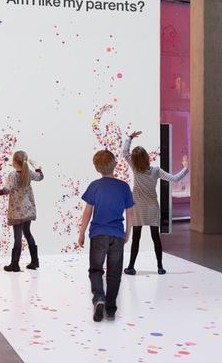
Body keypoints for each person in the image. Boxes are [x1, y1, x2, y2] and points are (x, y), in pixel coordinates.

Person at [78, 149, 134, 322]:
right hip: (117, 235)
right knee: (114, 273)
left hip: (98, 234)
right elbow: (130, 213)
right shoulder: (123, 186)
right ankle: (110, 309)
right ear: (115, 164)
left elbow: (87, 212)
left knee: (95, 269)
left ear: (97, 168)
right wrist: (127, 233)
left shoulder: (94, 186)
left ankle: (99, 298)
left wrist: (81, 233)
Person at [121, 131, 188, 276]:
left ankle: (131, 267)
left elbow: (124, 152)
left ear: (135, 159)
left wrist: (130, 138)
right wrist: (185, 168)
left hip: (138, 207)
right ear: (146, 157)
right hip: (152, 207)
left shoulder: (135, 168)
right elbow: (175, 179)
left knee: (136, 238)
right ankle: (160, 267)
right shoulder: (156, 171)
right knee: (155, 237)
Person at [0, 151, 44, 272]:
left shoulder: (13, 175)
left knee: (17, 238)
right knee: (28, 233)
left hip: (17, 213)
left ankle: (14, 264)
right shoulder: (29, 173)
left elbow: (6, 190)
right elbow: (40, 177)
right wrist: (37, 168)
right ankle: (35, 262)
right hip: (28, 210)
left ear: (15, 163)